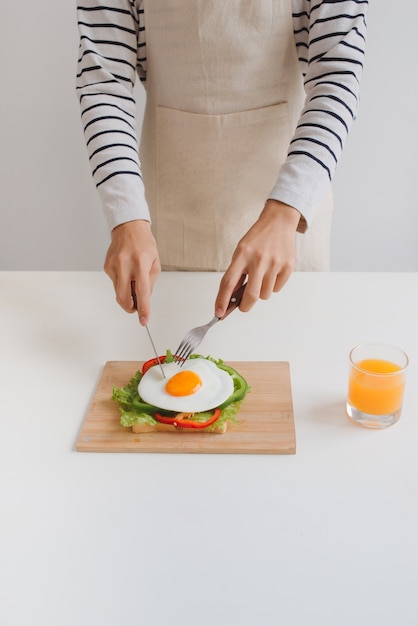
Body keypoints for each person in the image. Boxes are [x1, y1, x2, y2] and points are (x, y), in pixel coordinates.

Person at [76, 0, 368, 325]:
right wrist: (126, 218)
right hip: (166, 227)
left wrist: (285, 210)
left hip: (289, 223)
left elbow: (337, 75)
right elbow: (105, 84)